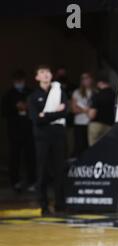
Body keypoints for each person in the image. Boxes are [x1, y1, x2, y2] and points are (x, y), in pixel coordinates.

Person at [28, 65, 68, 214]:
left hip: (58, 135)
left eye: (48, 72)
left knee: (59, 169)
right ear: (37, 77)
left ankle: (60, 204)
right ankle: (43, 205)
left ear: (51, 75)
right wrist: (52, 114)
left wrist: (45, 115)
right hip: (42, 137)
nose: (45, 75)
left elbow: (64, 112)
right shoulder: (33, 96)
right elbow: (35, 119)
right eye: (42, 73)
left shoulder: (59, 91)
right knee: (42, 170)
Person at [0, 70, 35, 192]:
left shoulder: (30, 93)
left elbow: (38, 109)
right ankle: (15, 182)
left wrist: (27, 107)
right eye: (16, 81)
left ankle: (32, 181)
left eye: (21, 81)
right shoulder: (8, 95)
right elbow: (3, 112)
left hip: (29, 130)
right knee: (15, 157)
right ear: (13, 81)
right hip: (14, 131)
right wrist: (15, 107)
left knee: (30, 157)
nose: (19, 83)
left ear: (24, 81)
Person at [87, 75, 116, 146]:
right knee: (107, 148)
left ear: (99, 83)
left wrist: (87, 112)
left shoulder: (97, 95)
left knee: (94, 149)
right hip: (110, 125)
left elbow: (92, 114)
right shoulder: (115, 94)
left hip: (96, 125)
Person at [71, 72, 94, 156]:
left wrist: (84, 109)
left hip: (91, 123)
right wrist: (86, 110)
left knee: (90, 145)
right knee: (80, 145)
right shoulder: (76, 92)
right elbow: (73, 109)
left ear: (91, 79)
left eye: (87, 78)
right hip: (80, 123)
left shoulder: (95, 91)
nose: (86, 80)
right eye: (83, 79)